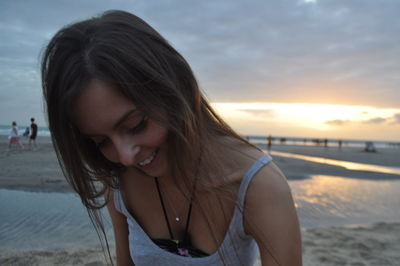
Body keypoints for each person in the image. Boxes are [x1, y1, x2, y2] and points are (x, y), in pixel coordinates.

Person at [41, 10, 301, 266]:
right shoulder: (118, 180)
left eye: (136, 125)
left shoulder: (257, 185)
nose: (125, 156)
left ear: (176, 90)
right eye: (101, 142)